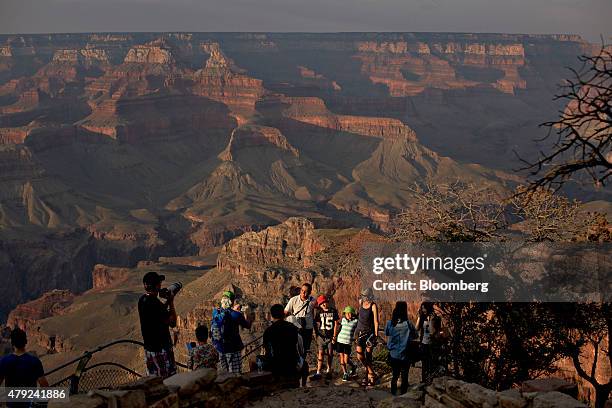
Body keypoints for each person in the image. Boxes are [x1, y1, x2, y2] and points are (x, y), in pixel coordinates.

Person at [138, 271, 177, 379]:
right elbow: (173, 322)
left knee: (154, 380)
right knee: (168, 379)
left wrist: (166, 303)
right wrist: (171, 302)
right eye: (159, 283)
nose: (161, 286)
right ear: (156, 286)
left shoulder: (142, 300)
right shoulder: (156, 305)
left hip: (149, 348)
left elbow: (157, 315)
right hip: (161, 349)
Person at [0, 328, 48, 407]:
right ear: (25, 342)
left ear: (12, 343)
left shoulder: (4, 361)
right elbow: (45, 386)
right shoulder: (34, 361)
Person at [263, 304, 305, 388]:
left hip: (275, 367)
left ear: (271, 315)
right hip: (291, 365)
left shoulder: (268, 331)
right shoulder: (293, 328)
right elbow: (299, 349)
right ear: (283, 314)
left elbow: (267, 351)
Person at [211, 290, 251, 374]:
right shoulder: (237, 315)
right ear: (232, 302)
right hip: (233, 349)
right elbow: (247, 325)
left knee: (224, 375)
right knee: (235, 375)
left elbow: (226, 312)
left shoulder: (216, 312)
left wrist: (232, 309)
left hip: (220, 349)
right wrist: (246, 314)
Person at [385, 301, 417, 395]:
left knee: (394, 376)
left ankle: (393, 395)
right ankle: (404, 396)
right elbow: (416, 335)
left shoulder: (389, 323)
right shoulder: (408, 324)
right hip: (405, 355)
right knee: (404, 376)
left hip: (393, 355)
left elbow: (387, 333)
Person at [311, 295, 339, 380]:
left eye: (324, 302)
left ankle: (328, 370)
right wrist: (316, 334)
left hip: (330, 337)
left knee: (330, 353)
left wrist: (334, 336)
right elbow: (316, 323)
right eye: (321, 303)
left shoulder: (333, 311)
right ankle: (318, 371)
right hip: (321, 336)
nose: (323, 304)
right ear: (319, 305)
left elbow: (336, 324)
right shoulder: (319, 312)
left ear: (327, 302)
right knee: (320, 353)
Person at [355, 288, 379, 386]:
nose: (364, 298)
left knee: (368, 357)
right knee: (359, 355)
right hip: (360, 333)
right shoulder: (360, 302)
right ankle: (371, 372)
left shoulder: (373, 305)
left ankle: (369, 377)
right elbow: (359, 315)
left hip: (369, 334)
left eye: (366, 296)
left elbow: (376, 322)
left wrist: (376, 336)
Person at [284, 283, 316, 354]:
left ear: (310, 292)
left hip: (308, 328)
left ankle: (302, 362)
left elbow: (315, 312)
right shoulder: (293, 300)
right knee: (295, 348)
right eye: (302, 290)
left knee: (305, 349)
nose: (303, 293)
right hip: (297, 328)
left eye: (306, 291)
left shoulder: (313, 300)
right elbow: (285, 312)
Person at [334, 306, 358, 382]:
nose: (348, 315)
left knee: (346, 359)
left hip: (348, 343)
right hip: (340, 341)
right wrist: (334, 337)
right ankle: (345, 373)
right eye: (347, 313)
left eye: (350, 313)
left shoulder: (355, 321)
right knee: (341, 358)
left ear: (353, 314)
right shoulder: (343, 320)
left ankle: (353, 366)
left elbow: (359, 328)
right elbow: (339, 328)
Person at [415, 301, 436, 384]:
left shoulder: (434, 318)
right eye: (422, 308)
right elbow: (416, 328)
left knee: (431, 363)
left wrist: (430, 320)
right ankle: (424, 381)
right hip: (423, 343)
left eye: (424, 308)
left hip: (432, 344)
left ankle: (431, 381)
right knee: (424, 364)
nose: (423, 310)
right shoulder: (422, 317)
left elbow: (432, 332)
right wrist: (419, 317)